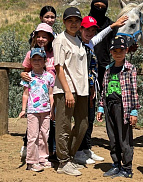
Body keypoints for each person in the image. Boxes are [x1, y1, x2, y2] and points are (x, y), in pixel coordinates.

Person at [74, 15, 128, 165]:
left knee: (89, 119)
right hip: (80, 88)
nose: (90, 33)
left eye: (92, 30)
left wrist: (114, 26)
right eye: (87, 29)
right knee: (81, 120)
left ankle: (86, 149)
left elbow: (100, 35)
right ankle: (77, 151)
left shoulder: (90, 43)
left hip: (91, 88)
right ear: (81, 29)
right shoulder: (76, 44)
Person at [97, 36, 140, 178]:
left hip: (124, 107)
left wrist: (134, 110)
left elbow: (134, 91)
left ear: (126, 50)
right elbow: (104, 89)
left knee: (124, 138)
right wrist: (101, 107)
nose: (118, 53)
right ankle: (116, 164)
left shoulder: (130, 69)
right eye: (114, 51)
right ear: (111, 52)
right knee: (113, 137)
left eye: (121, 50)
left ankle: (127, 168)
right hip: (110, 105)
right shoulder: (108, 69)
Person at [53, 7, 89, 176]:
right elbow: (59, 68)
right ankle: (63, 162)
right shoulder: (60, 40)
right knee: (64, 126)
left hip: (82, 90)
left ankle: (69, 156)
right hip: (65, 89)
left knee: (83, 124)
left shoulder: (79, 40)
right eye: (70, 20)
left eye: (76, 21)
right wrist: (67, 91)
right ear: (64, 22)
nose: (73, 24)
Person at [20, 22, 56, 163]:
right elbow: (25, 72)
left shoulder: (54, 54)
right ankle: (31, 159)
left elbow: (51, 93)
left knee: (45, 133)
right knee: (33, 133)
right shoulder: (31, 53)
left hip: (47, 105)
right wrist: (24, 109)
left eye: (44, 36)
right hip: (33, 108)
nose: (41, 39)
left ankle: (44, 156)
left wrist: (52, 108)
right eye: (39, 36)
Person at [88, 0, 118, 93]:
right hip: (86, 67)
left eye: (102, 7)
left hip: (104, 66)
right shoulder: (85, 24)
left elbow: (116, 43)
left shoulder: (111, 25)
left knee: (104, 96)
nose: (99, 9)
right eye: (97, 6)